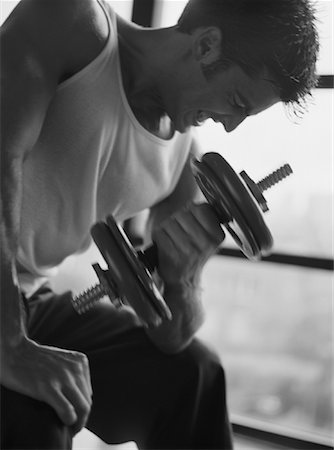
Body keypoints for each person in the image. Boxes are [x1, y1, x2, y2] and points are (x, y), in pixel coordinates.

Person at [0, 0, 319, 448]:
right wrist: (9, 344)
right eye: (235, 102)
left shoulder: (180, 165)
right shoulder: (72, 23)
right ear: (207, 45)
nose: (229, 128)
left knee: (194, 376)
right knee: (39, 415)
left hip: (26, 299)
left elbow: (171, 336)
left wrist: (182, 279)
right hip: (6, 313)